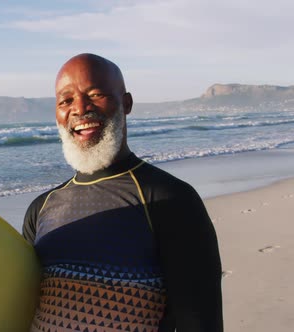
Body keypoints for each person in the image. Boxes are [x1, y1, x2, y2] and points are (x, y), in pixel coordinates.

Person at [23, 53, 223, 332]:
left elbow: (202, 323)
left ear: (126, 103)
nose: (80, 109)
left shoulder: (170, 199)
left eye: (95, 95)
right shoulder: (41, 208)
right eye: (66, 101)